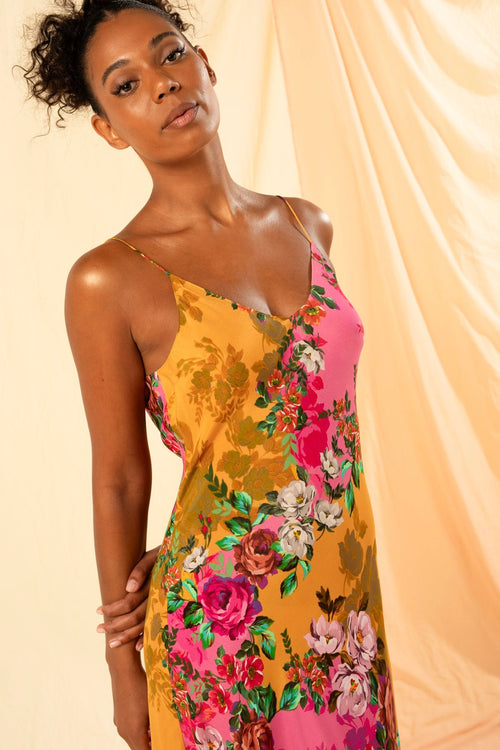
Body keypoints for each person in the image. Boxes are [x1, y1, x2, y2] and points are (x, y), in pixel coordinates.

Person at [23, 1, 401, 748]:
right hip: (220, 626)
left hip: (344, 605)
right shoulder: (107, 280)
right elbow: (120, 479)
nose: (161, 85)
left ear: (206, 67)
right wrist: (120, 667)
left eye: (170, 55)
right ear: (106, 128)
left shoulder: (308, 223)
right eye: (124, 85)